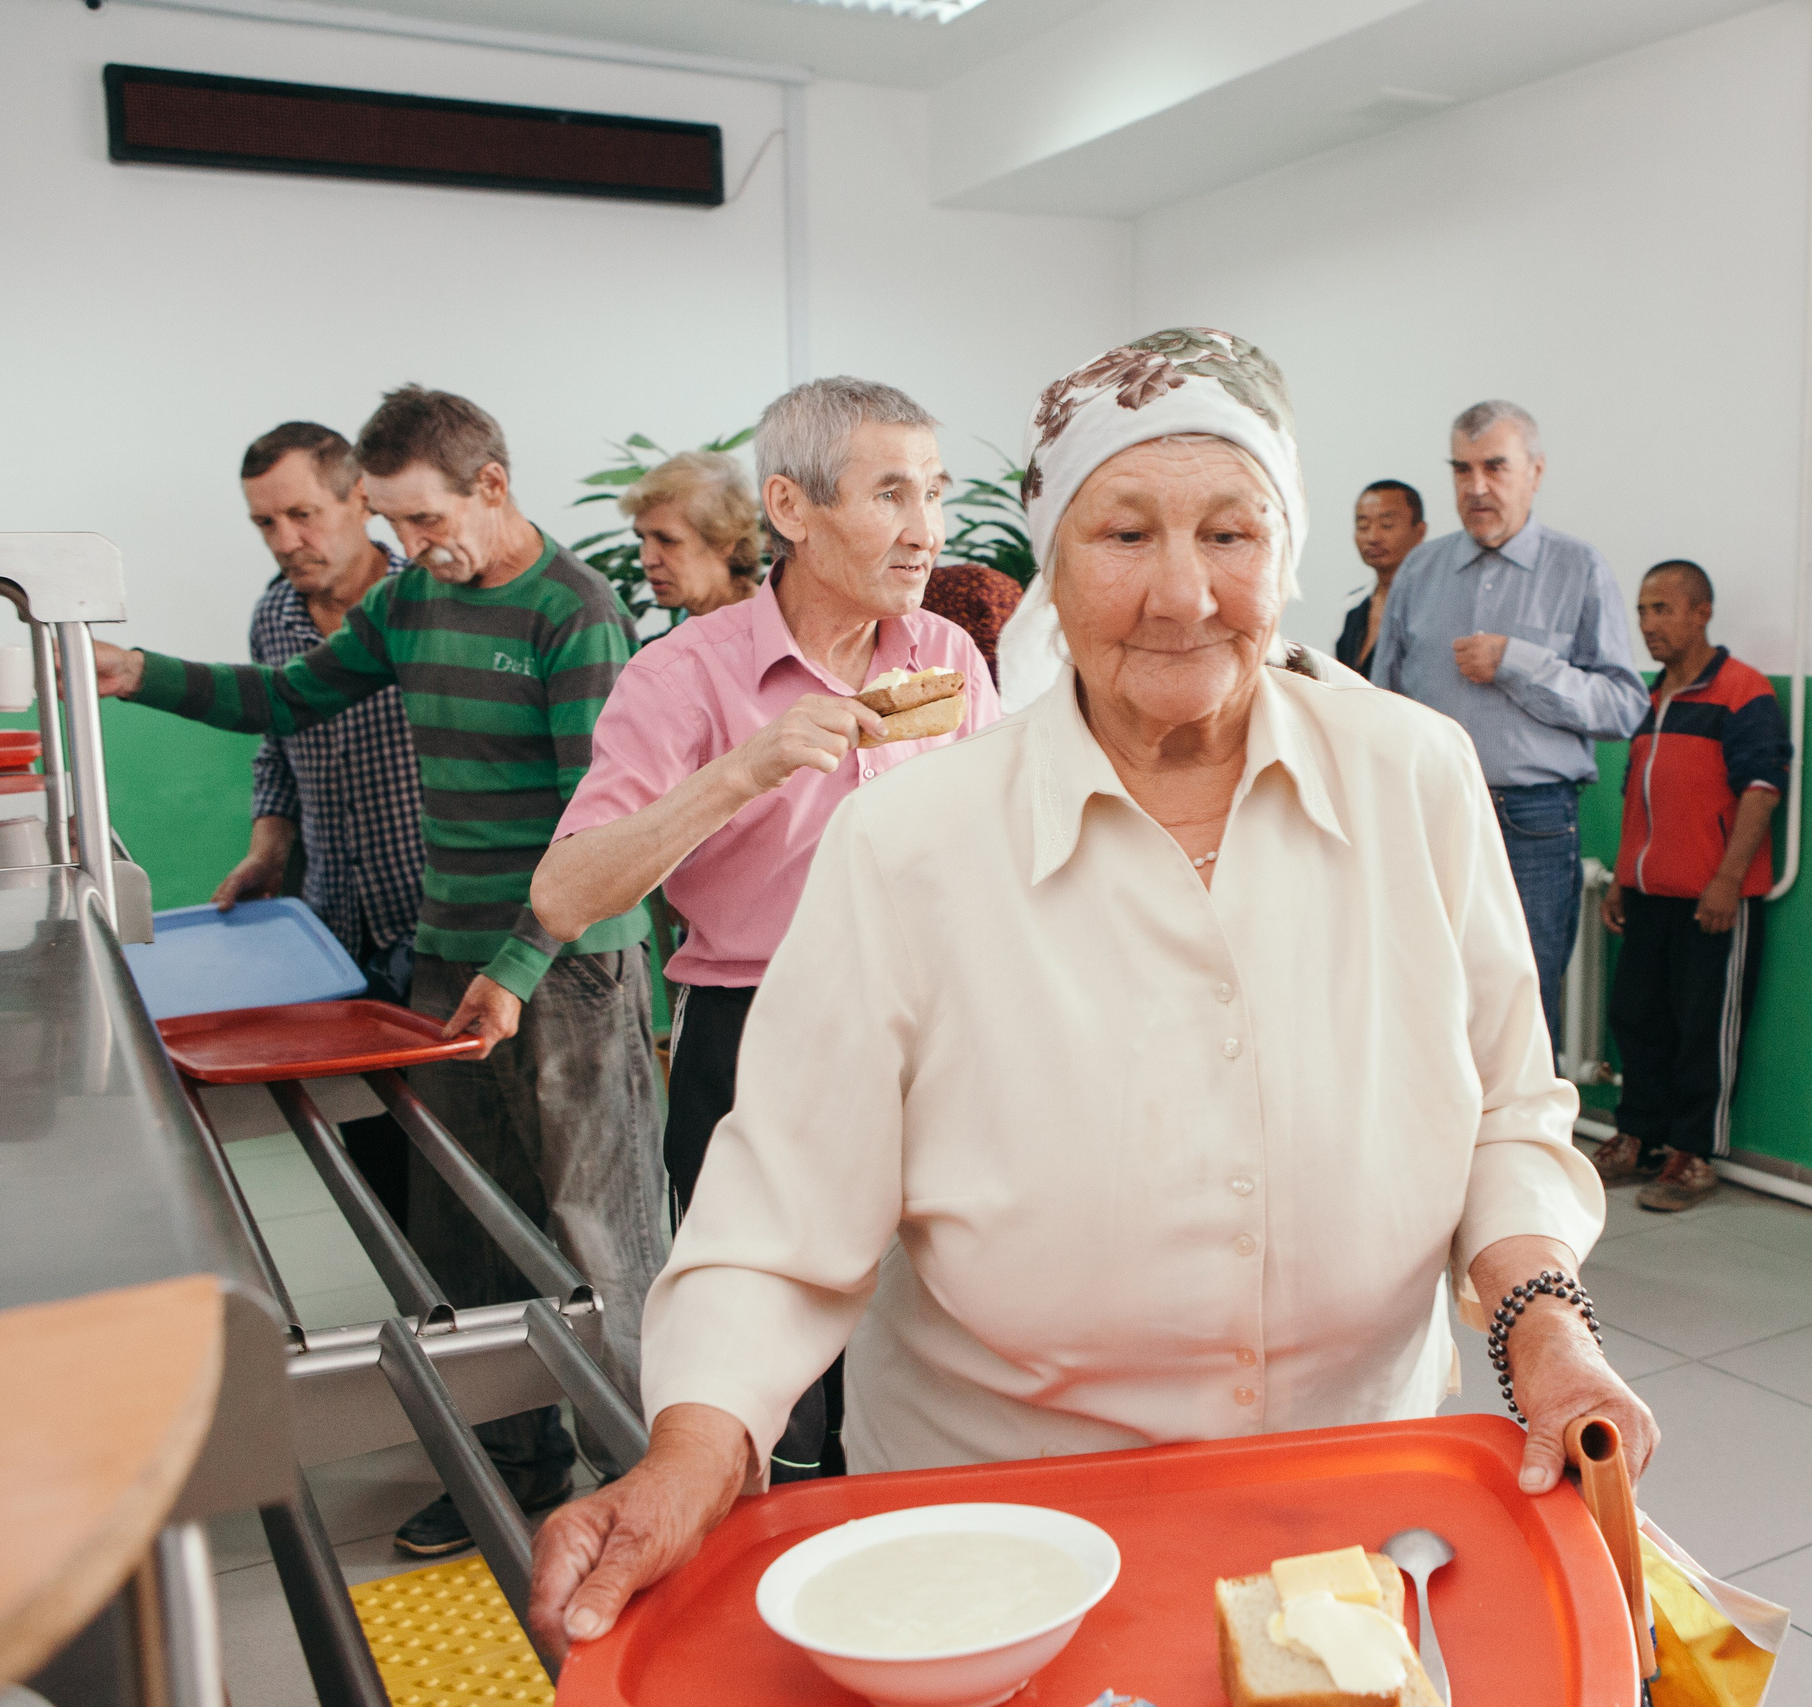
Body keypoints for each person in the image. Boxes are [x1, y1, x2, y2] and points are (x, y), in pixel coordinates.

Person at [523, 329, 1651, 1660]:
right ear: (1052, 566)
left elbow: (1509, 1109)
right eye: (1124, 534)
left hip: (1362, 1498)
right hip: (1004, 1533)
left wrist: (1542, 1325)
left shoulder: (1415, 775)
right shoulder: (913, 843)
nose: (1183, 593)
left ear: (1287, 557)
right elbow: (779, 1220)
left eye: (1232, 533)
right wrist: (699, 1446)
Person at [93, 386, 667, 1555]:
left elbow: (594, 821)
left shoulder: (576, 612)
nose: (408, 551)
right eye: (393, 526)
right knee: (459, 1232)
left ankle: (648, 1483)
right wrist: (132, 672)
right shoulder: (412, 602)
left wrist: (516, 960)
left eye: (423, 522)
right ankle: (510, 1467)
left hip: (567, 973)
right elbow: (288, 699)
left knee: (604, 1241)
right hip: (449, 959)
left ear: (491, 487)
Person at [532, 377, 997, 1479]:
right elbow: (565, 895)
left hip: (937, 1034)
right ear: (790, 508)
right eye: (890, 495)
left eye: (933, 493)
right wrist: (741, 770)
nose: (925, 529)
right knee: (776, 1358)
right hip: (752, 1033)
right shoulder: (681, 677)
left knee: (939, 1330)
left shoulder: (945, 661)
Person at [1375, 400, 1649, 1060]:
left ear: (1535, 472)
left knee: (1522, 1004)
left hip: (1532, 820)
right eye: (1462, 469)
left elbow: (1623, 706)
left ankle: (1523, 1161)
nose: (1477, 487)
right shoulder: (1420, 570)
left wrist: (1521, 663)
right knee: (1422, 991)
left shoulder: (1579, 570)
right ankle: (1441, 1160)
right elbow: (1382, 702)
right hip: (1426, 814)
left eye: (1495, 466)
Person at [216, 421, 425, 1223]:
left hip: (434, 918)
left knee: (463, 1146)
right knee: (372, 1147)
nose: (285, 539)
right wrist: (267, 847)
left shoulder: (426, 605)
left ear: (361, 499)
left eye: (302, 514)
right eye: (266, 523)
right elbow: (276, 746)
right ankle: (417, 1320)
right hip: (338, 924)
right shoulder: (274, 617)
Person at [1593, 561, 1790, 1213]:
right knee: (1636, 1016)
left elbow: (1761, 790)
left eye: (1662, 609)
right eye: (1643, 611)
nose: (1648, 624)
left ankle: (1693, 1153)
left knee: (1705, 1026)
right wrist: (1624, 877)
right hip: (1648, 893)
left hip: (1712, 900)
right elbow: (1636, 796)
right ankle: (1640, 1135)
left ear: (1701, 612)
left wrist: (1727, 880)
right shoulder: (1650, 698)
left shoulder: (1742, 691)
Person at [624, 449, 763, 620]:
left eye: (667, 540)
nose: (647, 559)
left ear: (724, 542)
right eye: (641, 538)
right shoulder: (695, 620)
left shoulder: (770, 629)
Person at [1335, 478, 1429, 678]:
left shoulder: (1433, 604)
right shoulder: (1352, 605)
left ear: (1420, 532)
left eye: (1387, 525)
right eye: (1363, 526)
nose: (1373, 537)